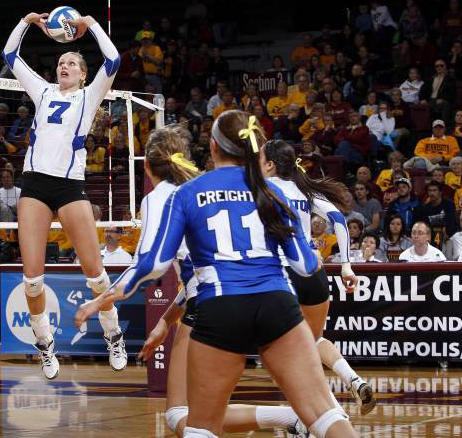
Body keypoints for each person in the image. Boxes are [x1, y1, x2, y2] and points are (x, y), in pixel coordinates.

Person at [77, 111, 357, 438]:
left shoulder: (187, 194)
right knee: (325, 417)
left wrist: (102, 299)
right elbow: (306, 266)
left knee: (200, 427)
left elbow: (151, 266)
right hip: (276, 302)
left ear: (212, 147)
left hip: (221, 308)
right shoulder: (272, 193)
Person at [2, 9, 126, 379]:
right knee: (32, 278)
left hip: (70, 187)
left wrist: (90, 26)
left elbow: (114, 58)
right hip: (34, 185)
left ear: (84, 73)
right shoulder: (41, 90)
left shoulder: (90, 97)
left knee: (95, 273)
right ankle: (44, 343)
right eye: (61, 61)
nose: (65, 65)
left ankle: (112, 332)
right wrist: (25, 23)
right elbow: (10, 56)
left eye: (72, 62)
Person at [259, 140, 374, 414]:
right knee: (313, 340)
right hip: (314, 273)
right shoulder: (304, 189)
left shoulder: (261, 190)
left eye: (261, 160)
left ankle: (332, 411)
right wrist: (346, 266)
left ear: (271, 164)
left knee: (282, 355)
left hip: (281, 275)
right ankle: (353, 380)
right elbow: (340, 220)